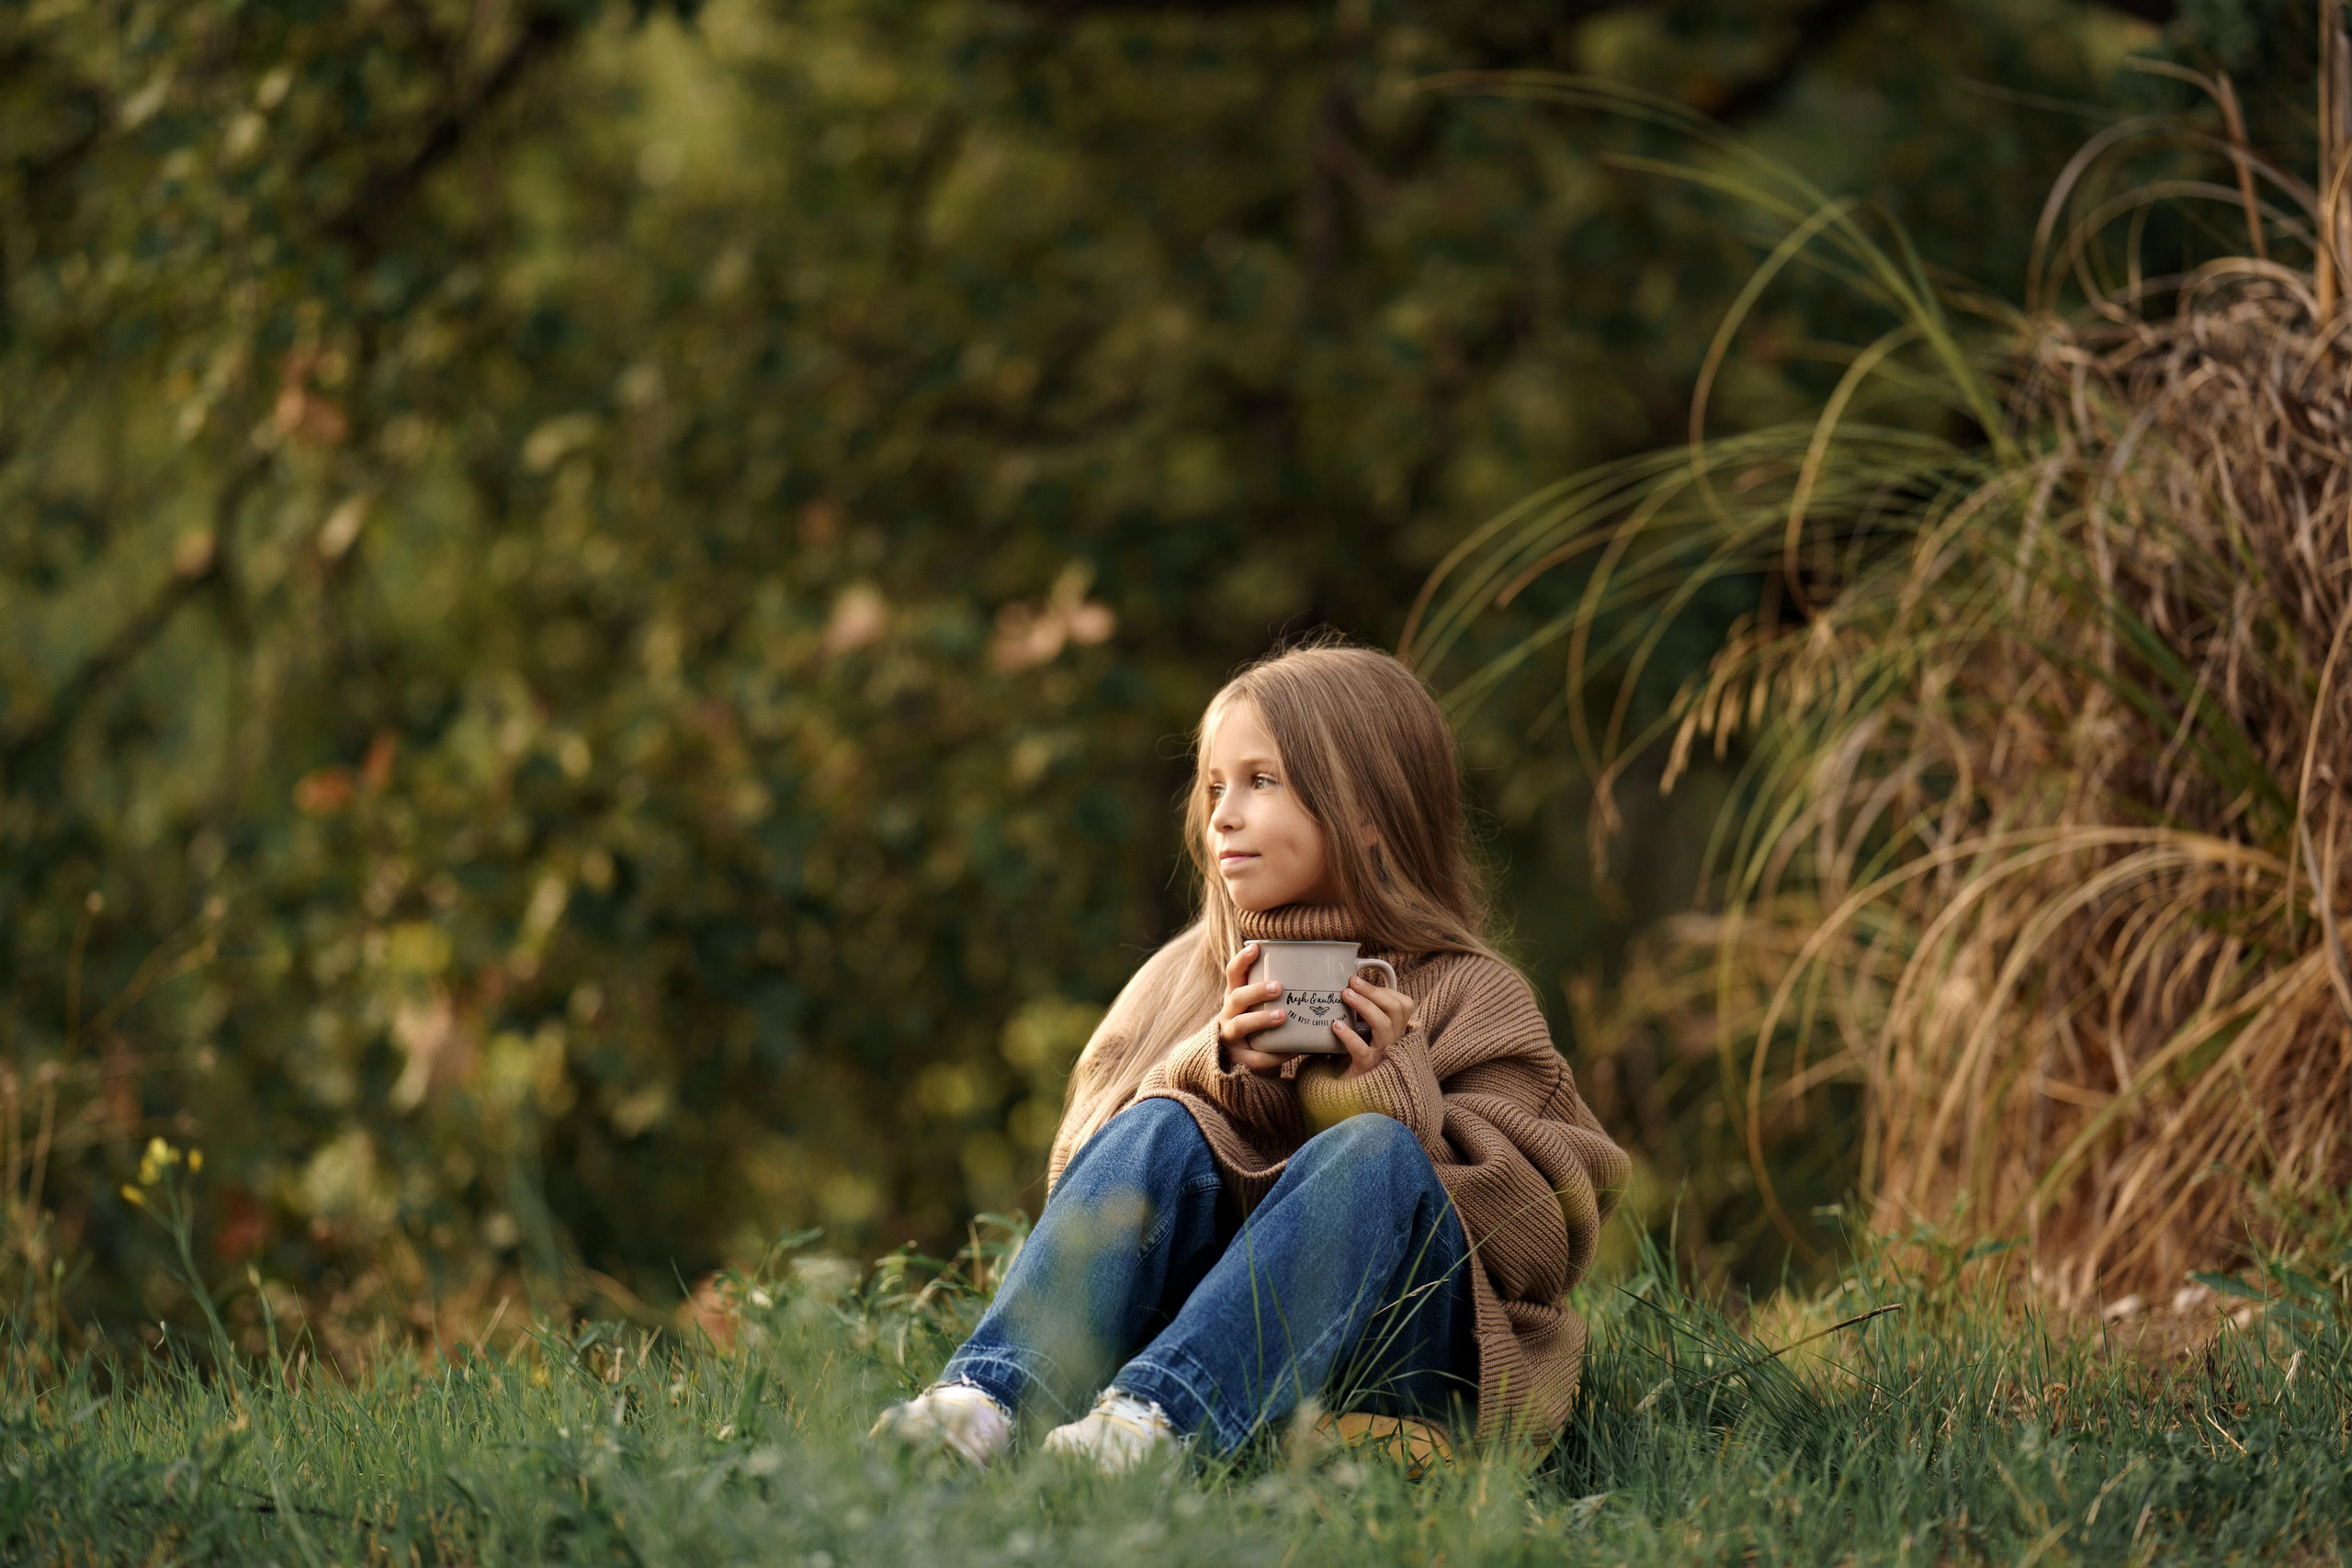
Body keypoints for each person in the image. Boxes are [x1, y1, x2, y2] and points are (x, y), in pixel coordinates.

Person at [872, 643, 1628, 1471]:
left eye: (1261, 780)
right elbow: (1087, 1202)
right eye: (1214, 787)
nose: (1223, 814)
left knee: (1374, 1151)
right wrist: (1216, 1063)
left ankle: (1151, 1431)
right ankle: (981, 1406)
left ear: (1369, 808)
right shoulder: (1174, 983)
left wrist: (1392, 1093)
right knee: (1159, 1117)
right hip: (1184, 1336)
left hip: (1401, 1364)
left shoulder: (1472, 993)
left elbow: (1538, 1245)